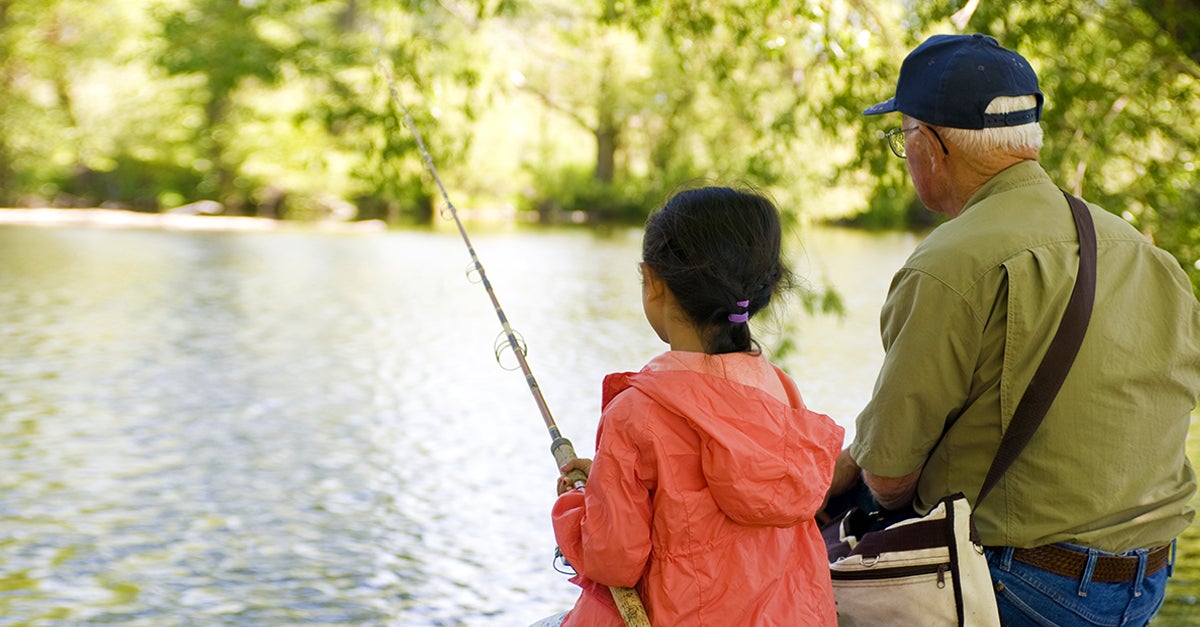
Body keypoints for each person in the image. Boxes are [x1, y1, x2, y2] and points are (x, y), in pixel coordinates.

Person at [827, 33, 1200, 625]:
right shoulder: (1145, 255)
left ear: (929, 144)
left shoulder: (948, 265)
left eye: (903, 137)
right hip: (1146, 578)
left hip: (1022, 587)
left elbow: (891, 478)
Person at [548, 186, 844, 626]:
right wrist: (606, 483)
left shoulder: (635, 414)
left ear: (653, 282)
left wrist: (578, 505)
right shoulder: (780, 392)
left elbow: (613, 559)